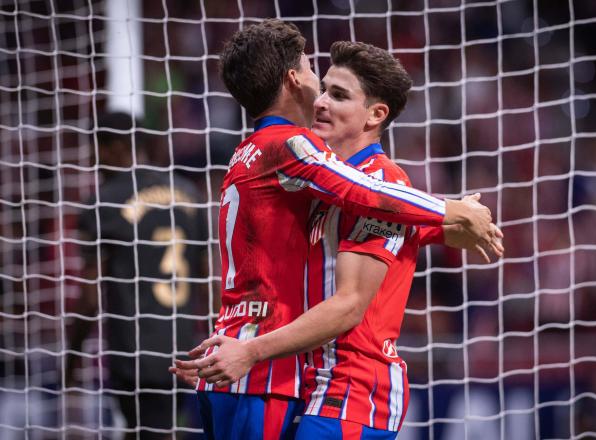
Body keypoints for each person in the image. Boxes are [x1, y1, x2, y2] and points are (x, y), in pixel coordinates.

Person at [169, 19, 497, 440]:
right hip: (282, 373)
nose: (321, 101)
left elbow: (350, 303)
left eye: (337, 94)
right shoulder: (311, 167)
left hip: (350, 390)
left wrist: (446, 222)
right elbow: (362, 196)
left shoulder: (377, 179)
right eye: (320, 84)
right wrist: (447, 210)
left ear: (376, 115)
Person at [67, 111, 210, 439]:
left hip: (133, 355)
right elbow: (209, 280)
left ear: (114, 147)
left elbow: (90, 299)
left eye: (96, 150)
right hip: (183, 349)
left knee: (144, 430)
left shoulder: (104, 201)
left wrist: (71, 359)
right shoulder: (189, 193)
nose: (94, 161)